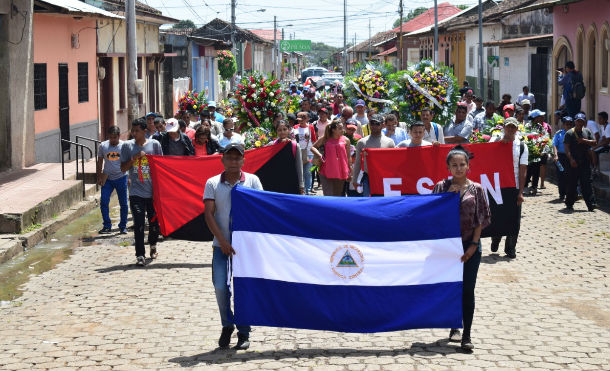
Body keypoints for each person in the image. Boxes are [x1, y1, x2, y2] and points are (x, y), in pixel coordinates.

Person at [204, 143, 263, 350]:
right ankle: (227, 324)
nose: (233, 161)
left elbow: (261, 210)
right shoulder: (212, 183)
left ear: (243, 161)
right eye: (229, 157)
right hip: (220, 245)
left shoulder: (253, 181)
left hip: (245, 248)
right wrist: (223, 241)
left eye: (237, 158)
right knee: (220, 287)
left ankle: (244, 332)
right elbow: (209, 214)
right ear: (222, 160)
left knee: (243, 289)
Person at [432, 145, 491, 352]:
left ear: (468, 166)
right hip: (446, 248)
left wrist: (474, 246)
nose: (458, 168)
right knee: (451, 288)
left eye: (462, 164)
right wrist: (447, 196)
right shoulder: (440, 187)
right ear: (448, 167)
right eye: (454, 165)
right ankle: (453, 325)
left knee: (467, 290)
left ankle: (467, 334)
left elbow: (481, 220)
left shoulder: (477, 189)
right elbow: (432, 216)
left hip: (470, 246)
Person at [120, 118, 163, 266]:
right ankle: (140, 255)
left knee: (154, 224)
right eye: (133, 130)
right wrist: (133, 159)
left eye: (137, 131)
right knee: (138, 224)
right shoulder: (127, 146)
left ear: (145, 131)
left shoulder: (155, 145)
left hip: (153, 193)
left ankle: (153, 245)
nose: (134, 133)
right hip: (136, 192)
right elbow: (123, 168)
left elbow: (161, 166)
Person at [489, 117, 527, 258]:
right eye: (508, 126)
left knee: (514, 218)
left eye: (513, 127)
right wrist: (500, 143)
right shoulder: (494, 140)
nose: (510, 129)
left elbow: (523, 170)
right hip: (497, 185)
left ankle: (510, 247)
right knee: (497, 215)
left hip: (514, 185)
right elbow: (486, 153)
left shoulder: (522, 146)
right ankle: (496, 238)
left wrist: (521, 192)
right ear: (504, 127)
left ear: (517, 129)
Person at [352, 114, 395, 197]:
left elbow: (393, 163)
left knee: (383, 202)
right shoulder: (362, 142)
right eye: (372, 123)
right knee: (368, 203)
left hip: (384, 178)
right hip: (367, 178)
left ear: (383, 125)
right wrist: (355, 180)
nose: (374, 126)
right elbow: (357, 162)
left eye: (377, 124)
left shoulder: (389, 142)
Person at [96, 126, 128, 235]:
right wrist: (99, 176)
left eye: (114, 137)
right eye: (110, 138)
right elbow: (99, 161)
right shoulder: (103, 146)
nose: (112, 140)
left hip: (121, 177)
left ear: (119, 136)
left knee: (123, 203)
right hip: (107, 178)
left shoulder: (124, 146)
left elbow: (129, 161)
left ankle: (123, 226)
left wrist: (130, 177)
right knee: (104, 201)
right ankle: (106, 225)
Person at [564, 113, 597, 212]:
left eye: (582, 121)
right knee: (572, 184)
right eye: (578, 121)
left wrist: (584, 141)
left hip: (585, 162)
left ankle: (591, 204)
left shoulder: (587, 131)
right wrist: (571, 159)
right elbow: (567, 148)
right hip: (573, 163)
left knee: (587, 183)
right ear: (575, 122)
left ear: (584, 122)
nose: (580, 123)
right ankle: (569, 203)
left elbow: (594, 142)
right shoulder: (569, 133)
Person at [311, 119, 351, 196]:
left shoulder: (346, 140)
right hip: (326, 170)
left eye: (342, 128)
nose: (342, 130)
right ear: (333, 130)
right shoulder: (325, 138)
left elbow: (348, 156)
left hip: (341, 170)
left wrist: (350, 169)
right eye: (340, 128)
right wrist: (319, 155)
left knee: (337, 195)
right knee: (328, 195)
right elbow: (313, 147)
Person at [273, 120, 305, 194]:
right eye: (279, 130)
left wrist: (301, 185)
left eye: (284, 129)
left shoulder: (295, 146)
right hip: (276, 182)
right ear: (276, 131)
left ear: (289, 130)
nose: (282, 132)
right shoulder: (272, 145)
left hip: (292, 181)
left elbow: (299, 166)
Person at [293, 111, 317, 194]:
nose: (301, 121)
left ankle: (308, 191)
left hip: (309, 153)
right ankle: (301, 191)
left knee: (308, 172)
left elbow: (314, 140)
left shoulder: (310, 127)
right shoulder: (295, 127)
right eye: (299, 120)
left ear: (307, 119)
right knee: (300, 173)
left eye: (303, 119)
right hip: (298, 153)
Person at [552, 116, 574, 201]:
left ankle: (570, 193)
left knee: (570, 175)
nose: (568, 126)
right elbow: (554, 144)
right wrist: (555, 155)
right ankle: (562, 194)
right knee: (561, 175)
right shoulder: (559, 133)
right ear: (563, 125)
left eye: (570, 124)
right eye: (566, 124)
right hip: (561, 157)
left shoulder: (574, 134)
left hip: (570, 157)